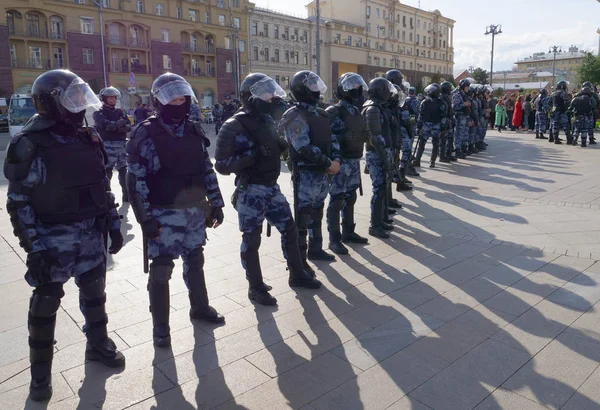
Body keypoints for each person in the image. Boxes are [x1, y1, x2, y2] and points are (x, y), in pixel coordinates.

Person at [3, 69, 126, 401]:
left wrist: (113, 223)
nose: (77, 103)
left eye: (79, 96)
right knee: (45, 303)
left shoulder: (89, 137)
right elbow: (18, 202)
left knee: (95, 292)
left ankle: (98, 344)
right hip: (51, 238)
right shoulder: (29, 143)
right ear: (50, 102)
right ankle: (40, 376)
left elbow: (102, 185)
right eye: (71, 97)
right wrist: (34, 248)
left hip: (90, 234)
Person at [126, 73, 226, 348]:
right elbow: (136, 181)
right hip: (163, 213)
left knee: (195, 261)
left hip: (194, 211)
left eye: (182, 98)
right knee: (161, 271)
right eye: (172, 98)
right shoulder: (145, 133)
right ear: (159, 101)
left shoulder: (194, 130)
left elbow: (206, 169)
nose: (178, 103)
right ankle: (161, 327)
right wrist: (144, 219)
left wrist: (216, 202)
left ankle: (200, 308)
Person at [214, 73, 320, 306]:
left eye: (272, 94)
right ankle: (256, 287)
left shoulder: (267, 120)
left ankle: (297, 273)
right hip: (250, 189)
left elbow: (276, 146)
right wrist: (252, 156)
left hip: (271, 188)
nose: (272, 99)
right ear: (251, 97)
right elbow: (221, 165)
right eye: (266, 94)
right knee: (252, 240)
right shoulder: (234, 125)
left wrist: (280, 145)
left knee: (290, 230)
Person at [281, 70, 340, 267]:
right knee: (303, 217)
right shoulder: (295, 115)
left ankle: (316, 249)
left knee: (317, 212)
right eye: (313, 86)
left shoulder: (321, 113)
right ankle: (299, 259)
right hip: (305, 174)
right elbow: (303, 147)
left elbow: (332, 140)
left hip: (322, 174)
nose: (317, 89)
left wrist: (336, 160)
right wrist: (329, 163)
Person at [325, 73, 370, 255]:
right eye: (352, 86)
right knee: (336, 200)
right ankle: (334, 239)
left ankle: (348, 232)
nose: (356, 90)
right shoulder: (334, 111)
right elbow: (327, 138)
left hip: (353, 160)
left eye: (357, 86)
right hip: (340, 162)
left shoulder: (356, 110)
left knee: (350, 197)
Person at [362, 77, 396, 239]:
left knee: (383, 188)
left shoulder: (379, 107)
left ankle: (381, 220)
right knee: (379, 188)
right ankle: (374, 225)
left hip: (382, 153)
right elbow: (374, 137)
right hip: (377, 154)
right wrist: (385, 159)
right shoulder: (372, 109)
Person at [93, 86, 132, 202]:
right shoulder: (98, 113)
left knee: (124, 170)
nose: (113, 100)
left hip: (121, 145)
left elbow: (129, 127)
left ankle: (127, 195)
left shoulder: (120, 111)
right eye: (110, 98)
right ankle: (107, 197)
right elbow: (107, 126)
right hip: (108, 146)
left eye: (114, 98)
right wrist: (119, 125)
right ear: (104, 98)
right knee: (107, 171)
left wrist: (116, 126)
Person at [414, 83, 446, 168]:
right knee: (435, 144)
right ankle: (432, 161)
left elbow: (420, 116)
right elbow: (443, 117)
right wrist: (443, 128)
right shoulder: (441, 102)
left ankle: (418, 160)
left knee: (423, 144)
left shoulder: (425, 102)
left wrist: (418, 126)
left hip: (426, 125)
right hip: (435, 125)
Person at [452, 78, 473, 159]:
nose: (468, 88)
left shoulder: (464, 95)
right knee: (458, 134)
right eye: (466, 86)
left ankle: (462, 148)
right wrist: (464, 104)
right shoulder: (457, 94)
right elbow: (454, 106)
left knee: (463, 134)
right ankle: (457, 150)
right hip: (459, 117)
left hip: (464, 116)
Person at [440, 81, 457, 162]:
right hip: (445, 121)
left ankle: (448, 154)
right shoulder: (444, 98)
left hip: (447, 120)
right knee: (444, 139)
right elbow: (448, 110)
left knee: (449, 138)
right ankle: (443, 156)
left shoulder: (443, 97)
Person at [549, 80, 569, 144]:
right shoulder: (563, 92)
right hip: (561, 111)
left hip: (554, 111)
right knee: (565, 125)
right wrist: (565, 109)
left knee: (554, 125)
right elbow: (566, 102)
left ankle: (555, 139)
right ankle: (569, 139)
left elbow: (549, 103)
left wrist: (552, 109)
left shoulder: (553, 93)